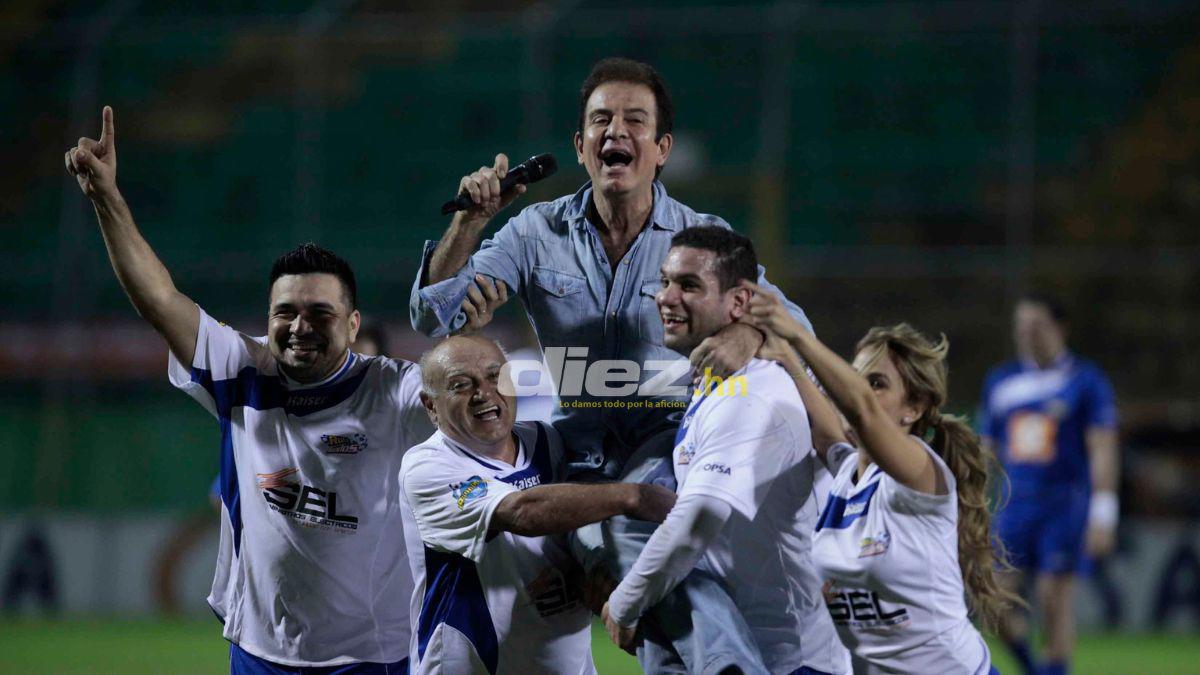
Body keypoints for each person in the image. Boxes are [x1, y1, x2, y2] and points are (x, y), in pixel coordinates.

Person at [411, 56, 810, 672]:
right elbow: (432, 316)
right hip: (578, 457)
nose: (614, 131)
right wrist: (469, 224)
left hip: (673, 443)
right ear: (580, 145)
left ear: (662, 148)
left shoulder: (703, 239)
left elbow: (796, 328)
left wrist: (749, 337)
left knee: (633, 549)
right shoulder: (532, 233)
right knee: (629, 584)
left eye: (634, 119)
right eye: (600, 119)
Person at [65, 107, 434, 673]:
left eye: (320, 312)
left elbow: (462, 387)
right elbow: (161, 301)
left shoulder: (395, 390)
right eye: (285, 311)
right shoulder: (243, 368)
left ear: (354, 324)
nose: (300, 325)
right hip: (260, 651)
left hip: (375, 655)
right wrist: (106, 197)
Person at [602, 226, 848, 675]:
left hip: (790, 661)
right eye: (665, 282)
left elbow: (697, 519)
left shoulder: (749, 394)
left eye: (689, 286)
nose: (666, 298)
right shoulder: (714, 383)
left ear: (739, 303)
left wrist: (624, 603)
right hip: (750, 648)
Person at [741, 286, 1018, 674]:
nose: (858, 390)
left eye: (877, 382)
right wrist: (786, 356)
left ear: (913, 409)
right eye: (857, 378)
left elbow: (862, 411)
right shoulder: (847, 477)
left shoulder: (922, 476)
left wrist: (796, 335)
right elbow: (828, 433)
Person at [400, 335, 676, 674]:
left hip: (565, 662)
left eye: (495, 377)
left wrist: (595, 572)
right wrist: (633, 497)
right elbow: (521, 512)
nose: (484, 393)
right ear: (430, 405)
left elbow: (574, 526)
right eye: (460, 385)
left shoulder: (547, 440)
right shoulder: (428, 466)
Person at [979, 294, 1120, 675]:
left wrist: (1104, 512)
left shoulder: (1085, 381)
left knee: (1053, 600)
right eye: (1020, 327)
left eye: (1036, 326)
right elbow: (985, 452)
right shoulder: (1002, 382)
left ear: (1061, 328)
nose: (1026, 335)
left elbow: (1103, 446)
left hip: (1065, 502)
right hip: (1014, 505)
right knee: (993, 602)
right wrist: (971, 505)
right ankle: (1034, 669)